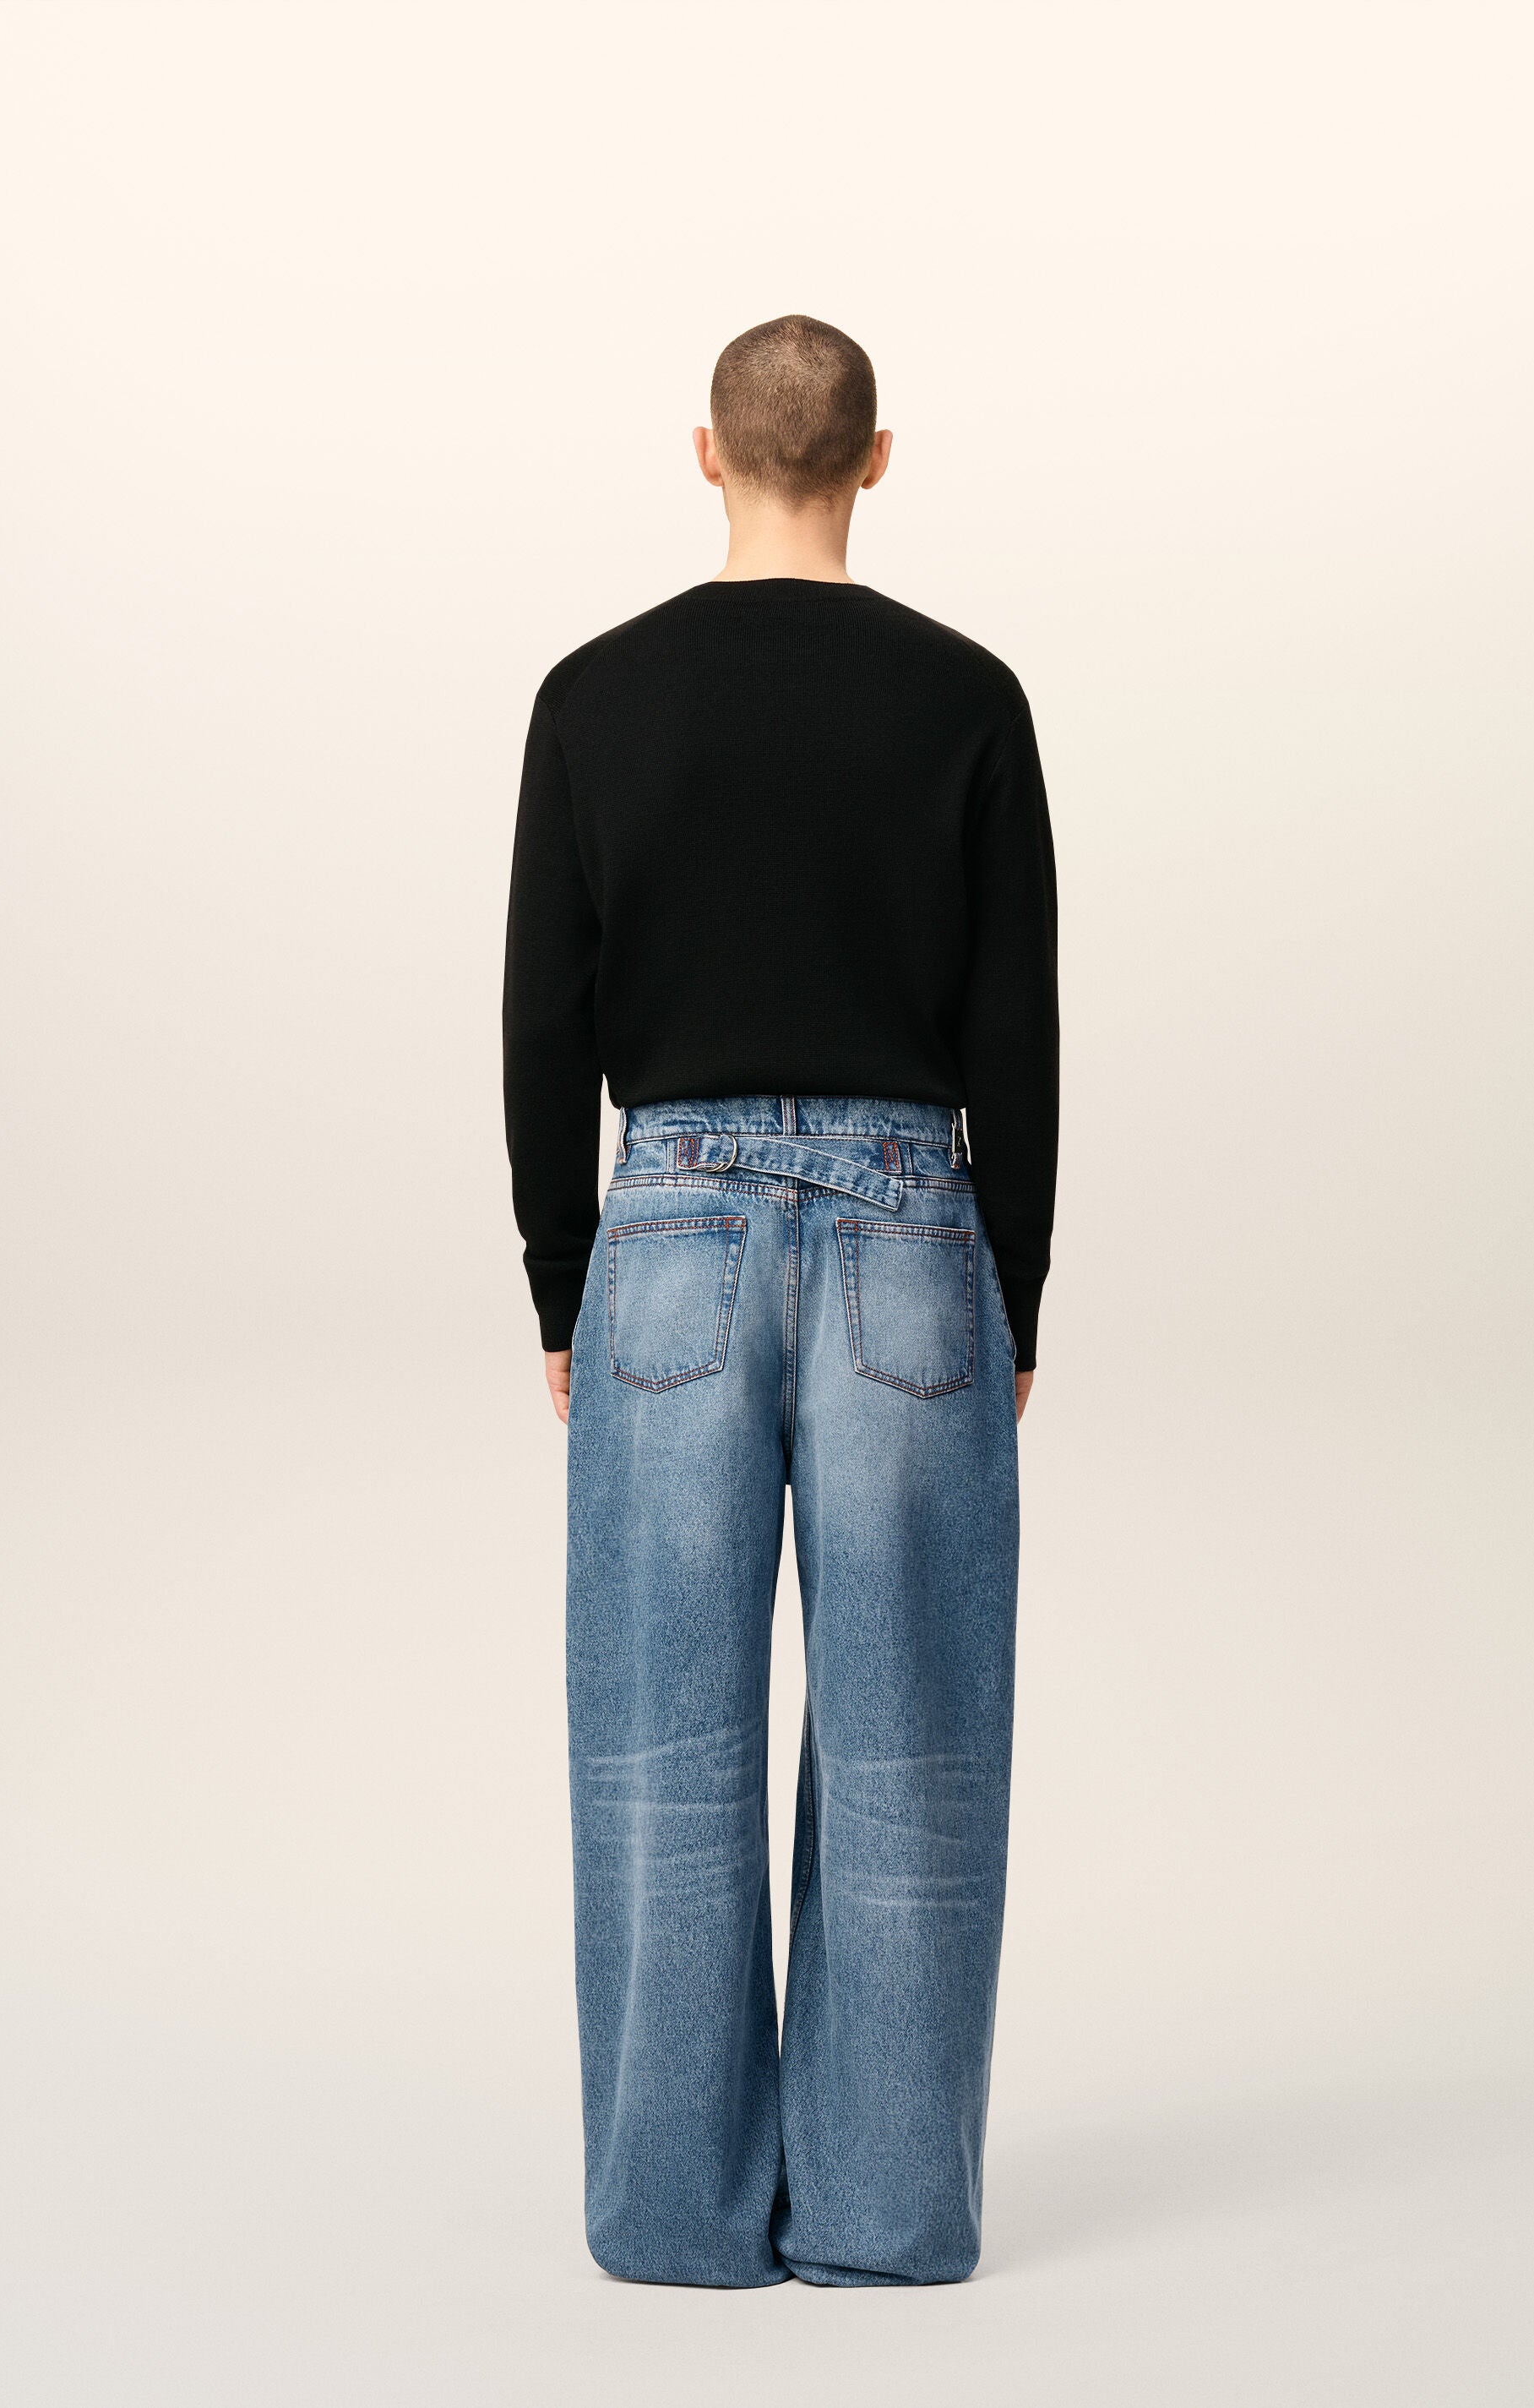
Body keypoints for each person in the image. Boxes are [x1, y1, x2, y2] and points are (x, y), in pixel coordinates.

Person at [501, 314, 1058, 2287]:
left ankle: (675, 2216)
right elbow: (1017, 1023)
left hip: (667, 1239)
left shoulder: (595, 696)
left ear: (706, 453)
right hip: (915, 1236)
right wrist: (1014, 1291)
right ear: (877, 459)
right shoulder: (968, 698)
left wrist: (563, 1281)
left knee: (658, 1747)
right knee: (918, 1749)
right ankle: (890, 2214)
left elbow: (544, 1018)